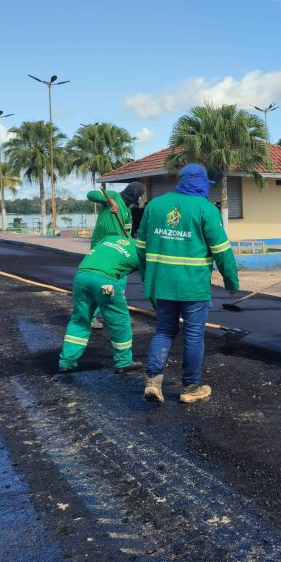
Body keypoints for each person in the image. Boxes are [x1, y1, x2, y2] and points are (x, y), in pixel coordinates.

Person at [137, 164, 238, 404]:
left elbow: (140, 249)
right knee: (193, 335)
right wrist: (231, 280)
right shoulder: (206, 209)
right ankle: (191, 387)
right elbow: (222, 250)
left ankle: (153, 382)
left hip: (162, 284)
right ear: (202, 183)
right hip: (194, 287)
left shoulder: (154, 206)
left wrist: (147, 279)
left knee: (163, 331)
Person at [58, 234, 142, 374]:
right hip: (106, 282)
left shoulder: (110, 238)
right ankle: (124, 362)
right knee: (119, 322)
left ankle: (66, 362)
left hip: (81, 276)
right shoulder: (141, 251)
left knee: (80, 320)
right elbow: (149, 282)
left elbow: (111, 263)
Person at [86, 182, 145, 329]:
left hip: (116, 250)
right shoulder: (112, 196)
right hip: (101, 247)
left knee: (119, 283)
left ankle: (116, 316)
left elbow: (127, 235)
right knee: (105, 284)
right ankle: (91, 317)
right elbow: (90, 195)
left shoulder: (127, 211)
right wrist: (108, 201)